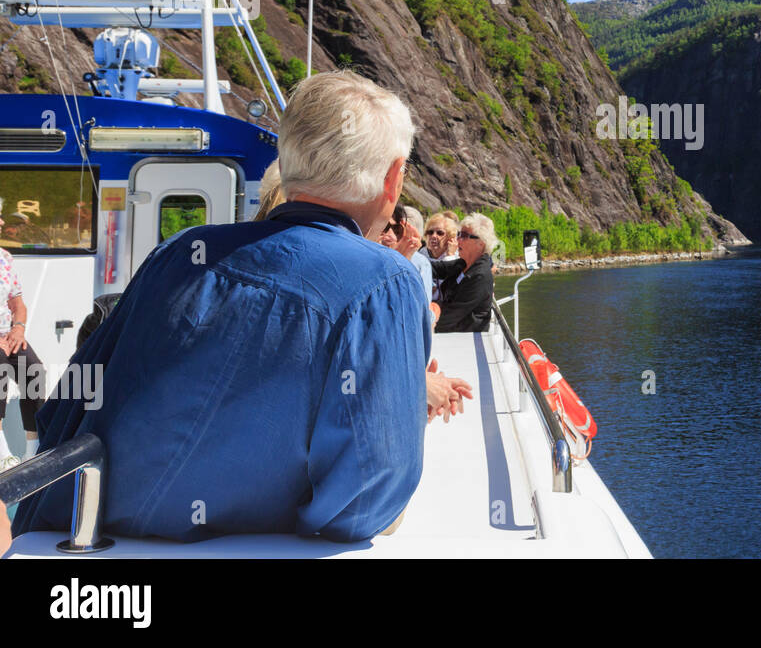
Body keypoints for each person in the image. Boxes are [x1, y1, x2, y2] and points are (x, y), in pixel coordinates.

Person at [15, 71, 461, 543]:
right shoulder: (384, 284)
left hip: (80, 543)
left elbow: (67, 408)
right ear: (393, 179)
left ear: (288, 163)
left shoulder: (180, 250)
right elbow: (368, 504)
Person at [0, 215, 42, 472]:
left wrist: (18, 329)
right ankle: (1, 451)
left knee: (34, 370)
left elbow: (18, 303)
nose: (2, 223)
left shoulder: (4, 258)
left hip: (9, 334)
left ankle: (32, 449)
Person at [431, 212, 497, 333]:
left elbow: (451, 315)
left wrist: (422, 319)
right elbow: (435, 268)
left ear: (480, 243)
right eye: (459, 234)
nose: (458, 239)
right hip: (451, 330)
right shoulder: (464, 264)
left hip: (463, 339)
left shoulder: (480, 276)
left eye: (464, 236)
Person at [382, 205, 434, 306]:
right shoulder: (420, 262)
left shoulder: (421, 262)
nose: (390, 235)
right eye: (386, 228)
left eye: (397, 230)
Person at [420, 212, 458, 304]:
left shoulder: (458, 258)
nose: (433, 236)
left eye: (440, 233)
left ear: (450, 238)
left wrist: (450, 256)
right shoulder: (420, 256)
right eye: (430, 232)